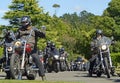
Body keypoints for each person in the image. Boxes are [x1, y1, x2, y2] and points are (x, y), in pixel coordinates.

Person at [16, 16, 46, 80]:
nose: (24, 24)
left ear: (28, 22)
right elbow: (15, 36)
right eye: (22, 22)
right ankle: (10, 73)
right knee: (11, 55)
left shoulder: (33, 29)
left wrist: (42, 32)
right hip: (21, 47)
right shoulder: (19, 30)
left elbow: (41, 35)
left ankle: (43, 75)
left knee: (36, 58)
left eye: (25, 22)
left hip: (31, 49)